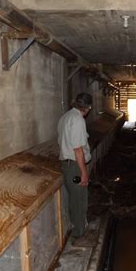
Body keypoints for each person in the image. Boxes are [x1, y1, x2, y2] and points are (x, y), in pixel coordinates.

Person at [58, 93, 92, 246]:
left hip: (68, 164)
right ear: (87, 108)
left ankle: (79, 229)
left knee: (76, 198)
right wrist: (84, 172)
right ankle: (79, 236)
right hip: (75, 166)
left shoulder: (66, 116)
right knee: (79, 200)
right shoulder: (78, 120)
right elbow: (78, 149)